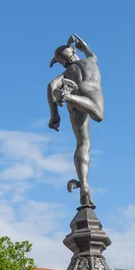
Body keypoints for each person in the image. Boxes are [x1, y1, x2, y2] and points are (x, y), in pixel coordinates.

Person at [47, 34, 105, 208]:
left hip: (72, 89)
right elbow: (91, 53)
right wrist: (84, 46)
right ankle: (69, 97)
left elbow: (50, 86)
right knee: (98, 115)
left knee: (82, 143)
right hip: (89, 87)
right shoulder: (91, 61)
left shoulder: (66, 73)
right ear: (73, 52)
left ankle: (84, 182)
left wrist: (54, 114)